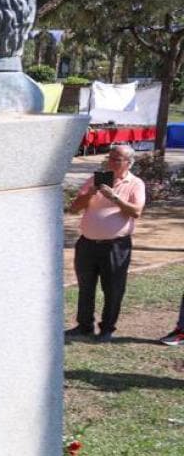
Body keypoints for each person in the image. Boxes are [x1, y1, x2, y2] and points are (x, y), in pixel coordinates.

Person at [66, 144, 146, 342]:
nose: (110, 162)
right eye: (110, 158)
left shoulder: (135, 183)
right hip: (87, 244)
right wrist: (91, 193)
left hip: (115, 246)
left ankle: (107, 328)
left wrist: (115, 198)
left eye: (116, 159)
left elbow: (136, 211)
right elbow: (74, 208)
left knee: (113, 288)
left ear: (128, 163)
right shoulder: (95, 180)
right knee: (85, 287)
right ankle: (84, 326)